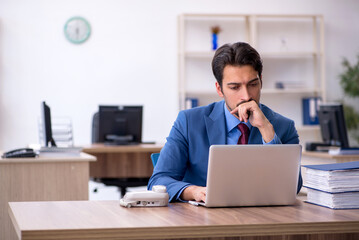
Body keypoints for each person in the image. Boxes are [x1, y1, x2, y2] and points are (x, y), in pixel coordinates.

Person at [148, 42, 302, 202]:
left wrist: (267, 132)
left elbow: (293, 187)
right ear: (219, 89)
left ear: (261, 82)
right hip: (203, 221)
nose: (246, 96)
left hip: (260, 220)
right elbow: (158, 181)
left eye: (253, 84)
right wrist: (194, 191)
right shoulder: (188, 122)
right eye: (235, 87)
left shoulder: (284, 127)